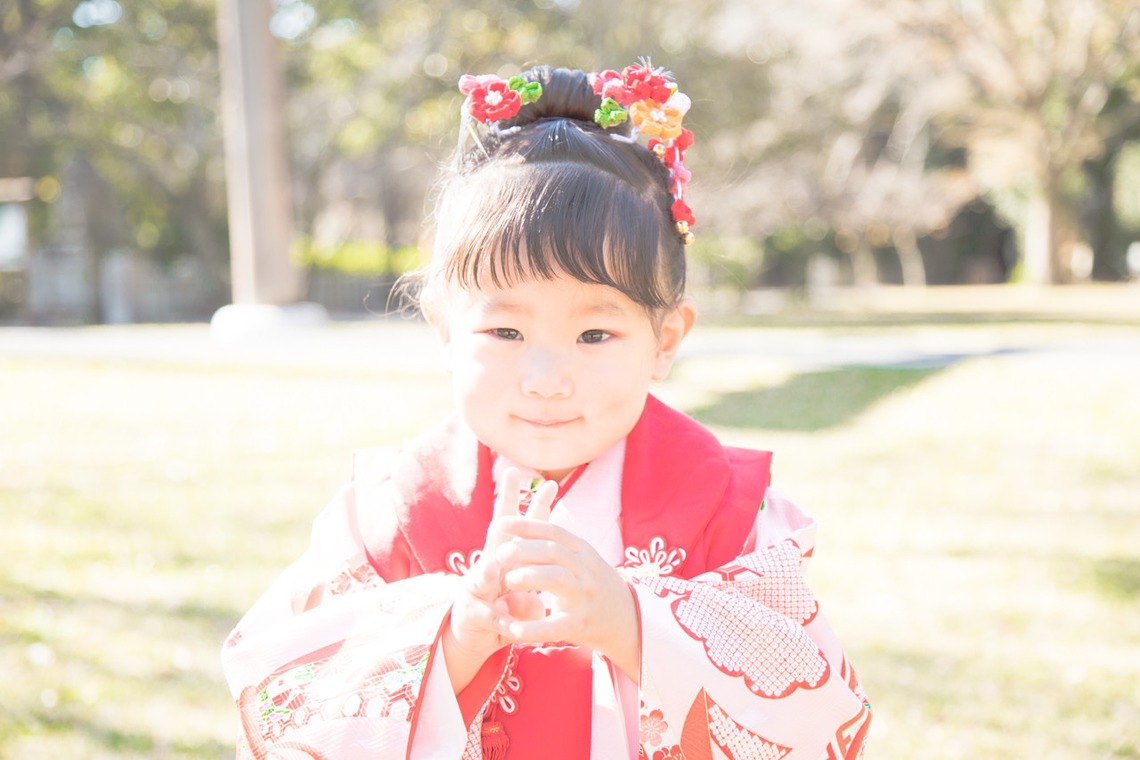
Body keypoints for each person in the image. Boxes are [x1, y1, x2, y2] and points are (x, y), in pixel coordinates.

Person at [221, 62, 870, 759]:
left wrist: (633, 622)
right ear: (444, 328)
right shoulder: (391, 514)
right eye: (505, 332)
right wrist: (448, 639)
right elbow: (284, 698)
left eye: (595, 334)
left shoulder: (727, 509)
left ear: (666, 338)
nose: (547, 380)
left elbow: (814, 707)